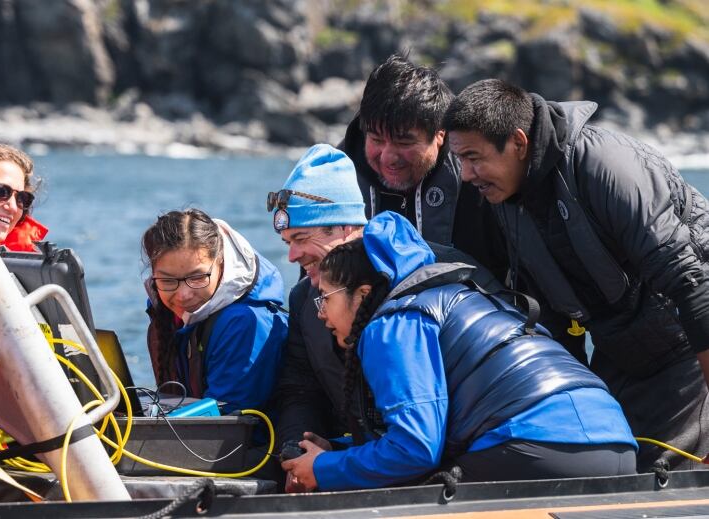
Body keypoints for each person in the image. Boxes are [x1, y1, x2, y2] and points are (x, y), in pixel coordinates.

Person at [444, 78, 709, 472]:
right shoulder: (500, 194)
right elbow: (541, 311)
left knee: (661, 477)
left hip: (686, 342)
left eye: (474, 157)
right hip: (618, 349)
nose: (465, 174)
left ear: (518, 143)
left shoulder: (605, 167)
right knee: (602, 467)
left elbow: (692, 286)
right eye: (459, 160)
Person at [280, 211, 637, 491]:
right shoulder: (457, 294)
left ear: (362, 293)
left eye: (324, 299)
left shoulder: (392, 323)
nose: (321, 313)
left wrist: (324, 470)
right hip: (618, 443)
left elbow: (414, 450)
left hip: (536, 447)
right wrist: (341, 454)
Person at [270, 143, 510, 492]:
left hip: (457, 448)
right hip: (370, 454)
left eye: (301, 238)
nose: (291, 256)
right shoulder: (303, 300)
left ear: (345, 227)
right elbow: (298, 389)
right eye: (286, 241)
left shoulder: (432, 270)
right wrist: (299, 453)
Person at [339, 54, 507, 281]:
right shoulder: (338, 179)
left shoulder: (481, 179)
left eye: (404, 142)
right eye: (377, 140)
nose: (388, 157)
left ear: (440, 134)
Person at [142, 208, 287, 412]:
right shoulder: (164, 311)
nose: (183, 294)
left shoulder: (246, 320)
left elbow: (225, 419)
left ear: (222, 262)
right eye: (167, 280)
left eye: (197, 278)